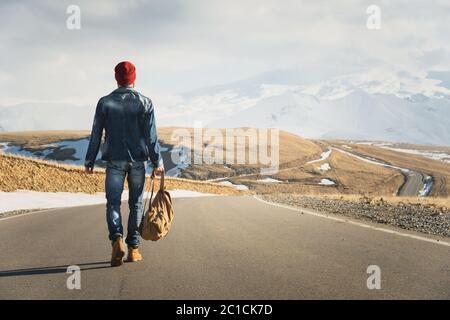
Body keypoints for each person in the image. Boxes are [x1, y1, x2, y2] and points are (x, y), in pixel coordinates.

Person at [84, 61, 164, 267]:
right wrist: (157, 161)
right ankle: (133, 249)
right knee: (135, 203)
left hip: (114, 160)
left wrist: (89, 159)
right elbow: (151, 136)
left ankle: (116, 240)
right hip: (138, 161)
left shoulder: (105, 102)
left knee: (113, 202)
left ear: (116, 78)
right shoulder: (145, 102)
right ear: (134, 78)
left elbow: (96, 133)